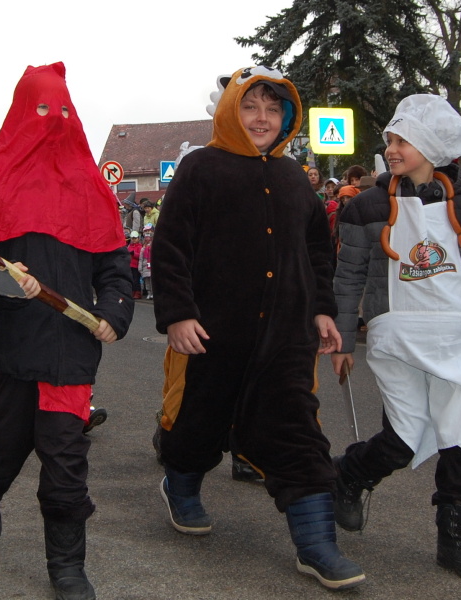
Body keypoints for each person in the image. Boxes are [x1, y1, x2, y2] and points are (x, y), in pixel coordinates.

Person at [152, 65, 364, 591]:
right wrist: (178, 314)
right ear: (230, 112)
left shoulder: (294, 178)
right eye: (250, 107)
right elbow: (170, 245)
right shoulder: (200, 168)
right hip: (212, 333)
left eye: (273, 109)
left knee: (298, 433)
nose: (262, 118)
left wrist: (322, 309)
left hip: (286, 337)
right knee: (197, 425)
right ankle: (181, 488)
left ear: (287, 118)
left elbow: (317, 250)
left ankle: (317, 545)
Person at [0, 62, 133, 600]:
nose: (53, 120)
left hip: (70, 349)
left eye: (62, 110)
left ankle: (68, 564)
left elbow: (114, 266)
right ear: (22, 112)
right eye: (42, 108)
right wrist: (3, 283)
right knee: (2, 445)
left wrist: (114, 312)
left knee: (65, 456)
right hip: (6, 347)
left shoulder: (91, 188)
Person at [331, 94, 461, 582]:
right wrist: (344, 341)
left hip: (450, 337)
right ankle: (348, 475)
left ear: (430, 147)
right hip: (395, 335)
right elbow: (348, 276)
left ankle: (455, 538)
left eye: (402, 141)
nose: (391, 149)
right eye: (390, 140)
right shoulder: (365, 206)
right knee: (403, 438)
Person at [128, 230, 143, 299]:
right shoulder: (129, 246)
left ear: (138, 238)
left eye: (135, 238)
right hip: (130, 265)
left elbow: (140, 255)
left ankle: (138, 292)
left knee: (136, 280)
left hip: (136, 266)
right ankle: (132, 292)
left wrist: (134, 253)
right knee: (131, 279)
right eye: (132, 238)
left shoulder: (139, 246)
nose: (134, 240)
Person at [139, 224, 153, 299]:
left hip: (151, 265)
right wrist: (140, 267)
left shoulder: (153, 247)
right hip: (145, 267)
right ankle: (149, 293)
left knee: (152, 280)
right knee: (147, 281)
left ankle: (153, 293)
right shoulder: (143, 248)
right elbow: (141, 258)